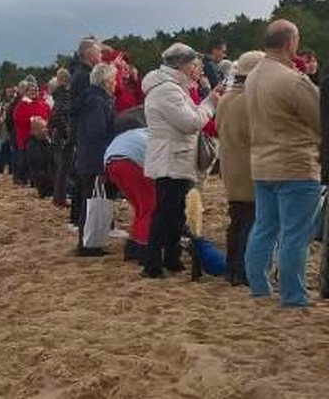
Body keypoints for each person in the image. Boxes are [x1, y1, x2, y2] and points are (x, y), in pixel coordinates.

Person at [245, 20, 320, 307]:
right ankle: (293, 296)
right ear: (290, 43)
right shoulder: (291, 80)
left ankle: (259, 288)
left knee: (264, 228)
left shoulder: (252, 76)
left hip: (262, 164)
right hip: (295, 164)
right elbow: (319, 118)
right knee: (295, 236)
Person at [142, 43, 221, 278]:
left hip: (175, 156)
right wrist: (209, 105)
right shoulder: (168, 90)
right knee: (165, 212)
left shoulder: (172, 87)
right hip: (171, 158)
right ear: (181, 65)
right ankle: (153, 264)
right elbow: (189, 122)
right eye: (193, 63)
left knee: (176, 212)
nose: (196, 67)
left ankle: (171, 258)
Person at [216, 51, 265, 286]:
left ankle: (231, 269)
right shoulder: (249, 101)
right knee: (250, 222)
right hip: (249, 167)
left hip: (231, 167)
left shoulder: (226, 98)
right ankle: (244, 272)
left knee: (236, 221)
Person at [71, 63, 117, 255]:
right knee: (91, 202)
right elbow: (97, 132)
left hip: (86, 156)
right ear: (106, 81)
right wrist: (103, 163)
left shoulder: (91, 99)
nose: (115, 83)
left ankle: (89, 242)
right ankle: (88, 245)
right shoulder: (97, 102)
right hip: (94, 159)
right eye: (113, 79)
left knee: (90, 201)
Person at [105, 126, 153, 264]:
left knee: (139, 207)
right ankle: (143, 249)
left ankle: (132, 247)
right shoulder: (159, 136)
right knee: (150, 207)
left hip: (111, 161)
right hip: (130, 161)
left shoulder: (138, 132)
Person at [13, 82, 50, 185]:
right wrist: (31, 120)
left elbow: (48, 115)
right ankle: (22, 179)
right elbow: (17, 119)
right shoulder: (21, 105)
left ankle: (36, 181)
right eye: (31, 90)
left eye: (35, 90)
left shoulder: (42, 104)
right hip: (26, 136)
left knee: (39, 160)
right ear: (26, 92)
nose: (34, 92)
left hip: (41, 136)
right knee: (25, 159)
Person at [48, 68, 71, 208]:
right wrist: (67, 132)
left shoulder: (58, 95)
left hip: (58, 134)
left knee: (61, 169)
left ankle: (59, 198)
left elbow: (55, 116)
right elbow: (58, 116)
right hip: (62, 136)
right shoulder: (64, 95)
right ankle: (60, 199)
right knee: (63, 169)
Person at [25, 117, 55, 198]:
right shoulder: (32, 145)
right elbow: (39, 162)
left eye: (46, 127)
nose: (46, 130)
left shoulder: (46, 142)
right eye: (43, 128)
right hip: (43, 179)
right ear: (34, 131)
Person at [0, 86, 16, 175]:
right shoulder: (2, 103)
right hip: (4, 127)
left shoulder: (14, 102)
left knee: (11, 149)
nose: (10, 94)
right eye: (8, 92)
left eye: (11, 92)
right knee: (3, 148)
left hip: (12, 127)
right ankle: (1, 167)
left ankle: (11, 169)